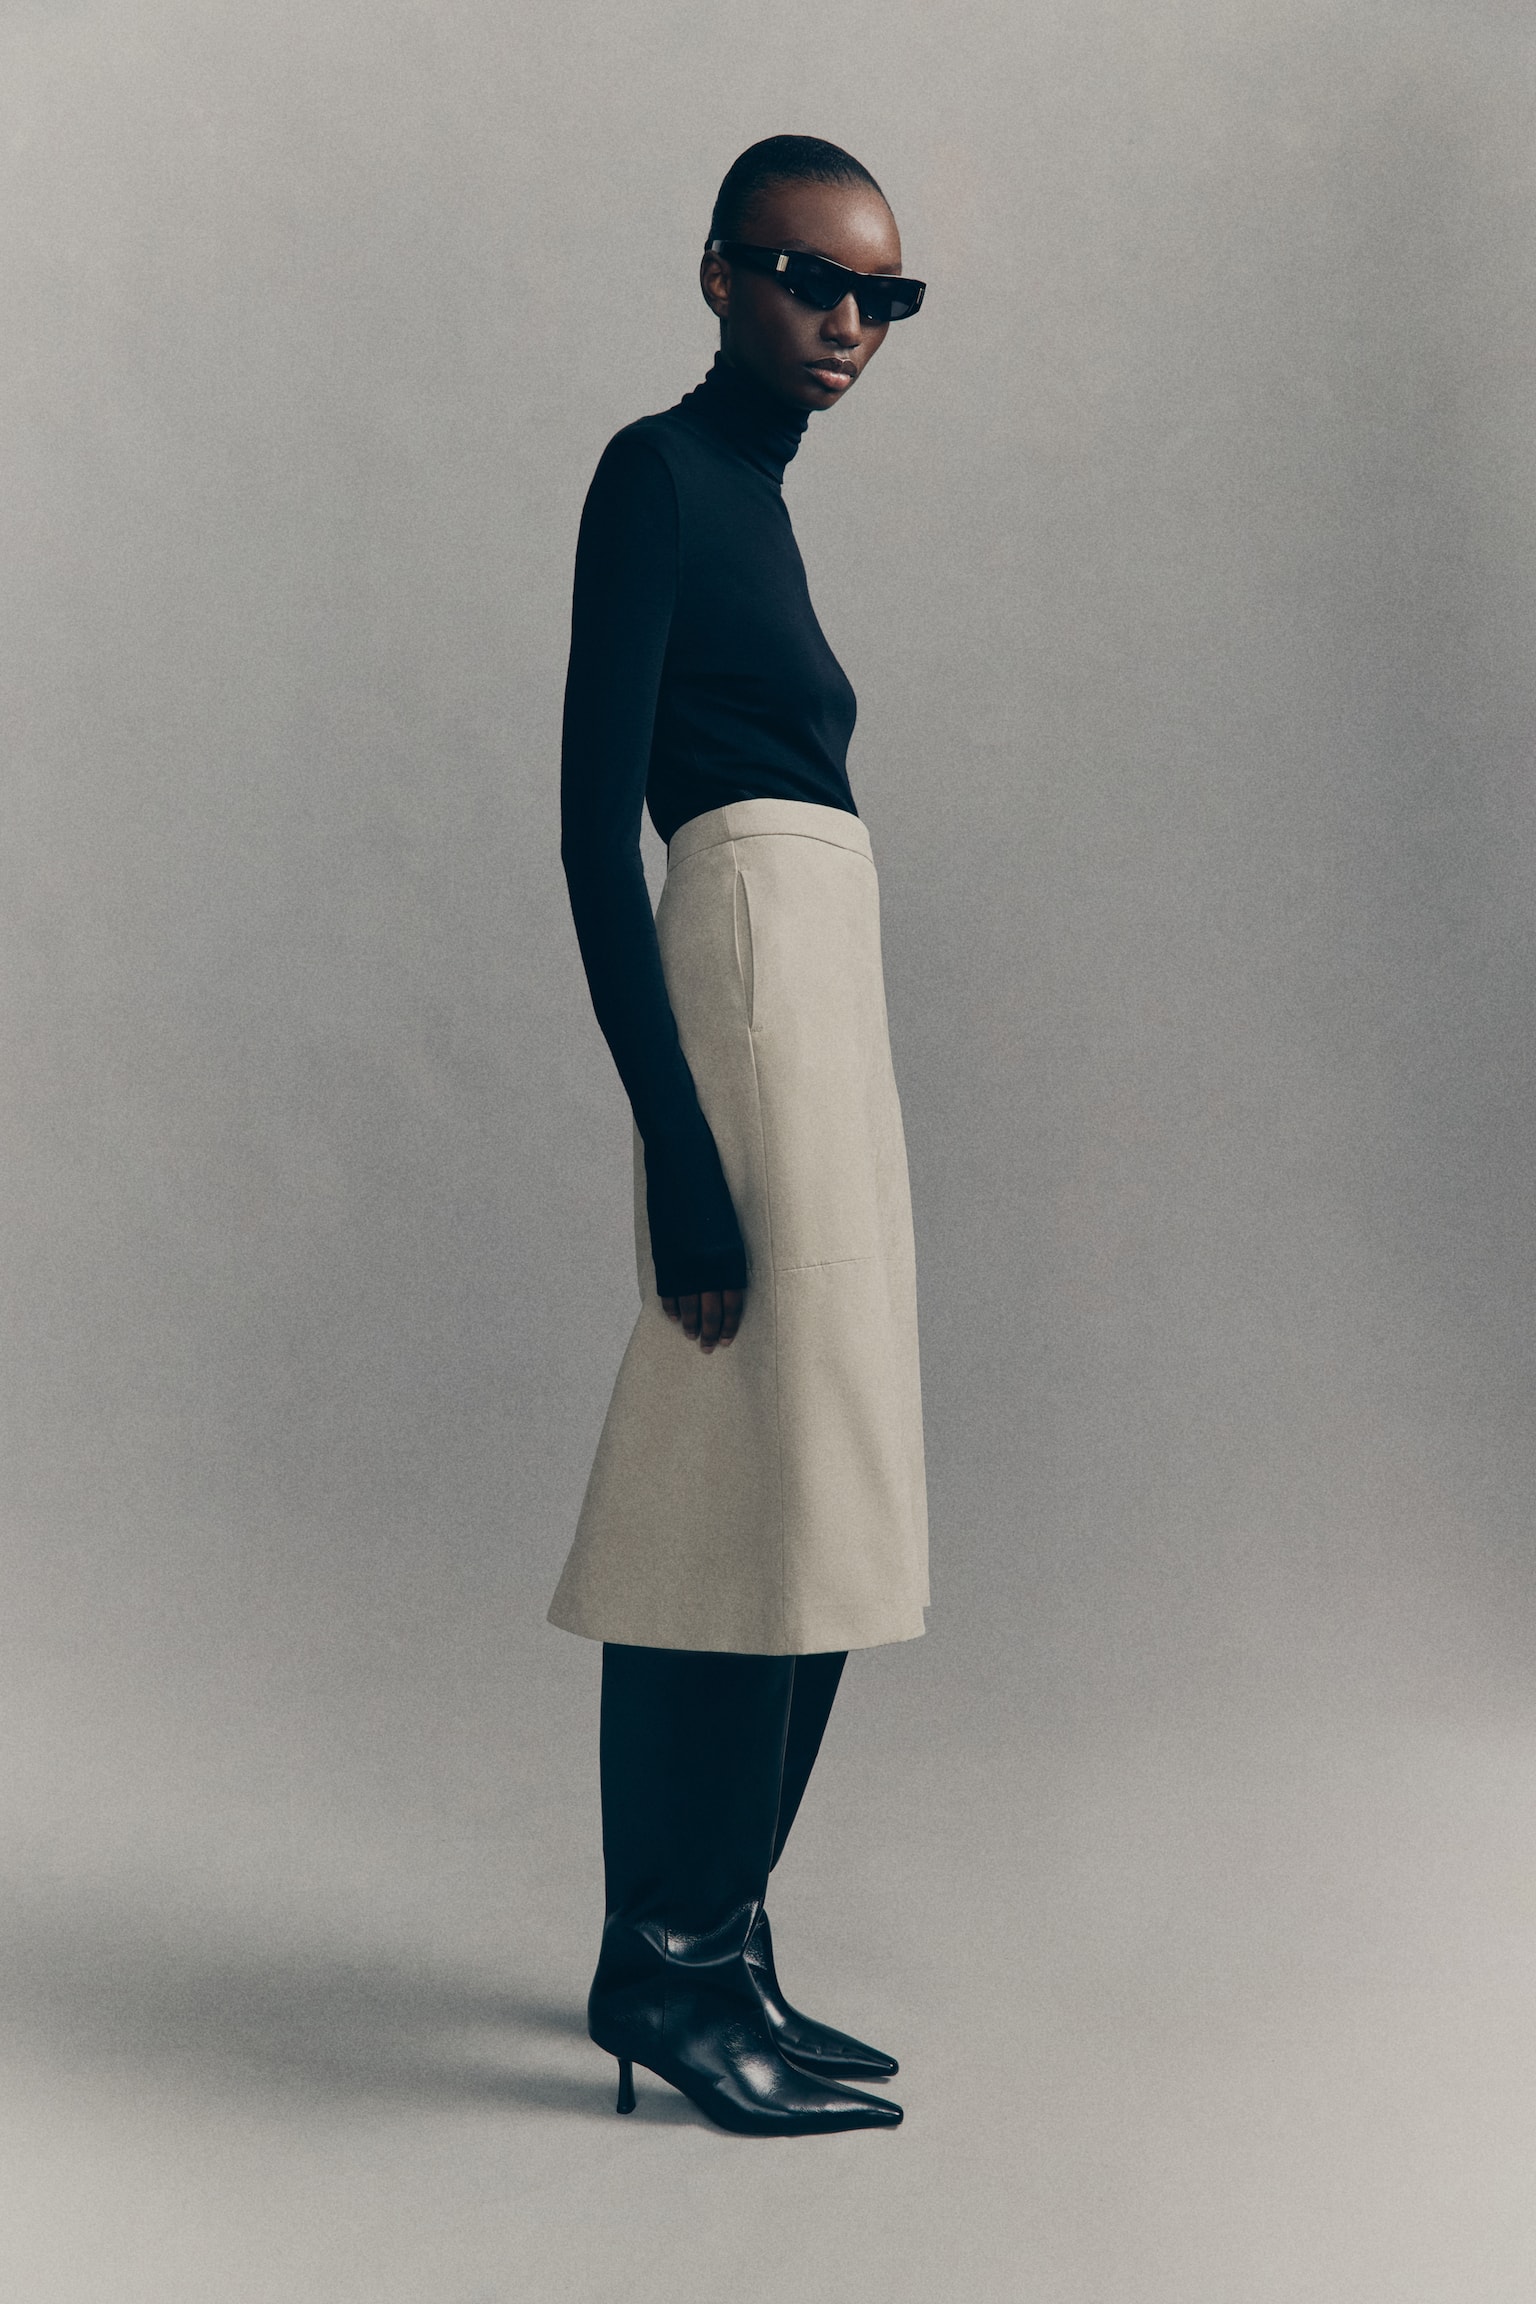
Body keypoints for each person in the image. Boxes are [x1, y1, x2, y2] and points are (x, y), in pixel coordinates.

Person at [550, 133, 930, 2137]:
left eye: (885, 296)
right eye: (811, 278)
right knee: (744, 1479)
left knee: (819, 1485)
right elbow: (590, 835)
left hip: (823, 1002)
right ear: (719, 275)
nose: (848, 322)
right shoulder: (659, 476)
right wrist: (683, 1155)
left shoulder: (761, 505)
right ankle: (673, 1969)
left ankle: (718, 1947)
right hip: (751, 1003)